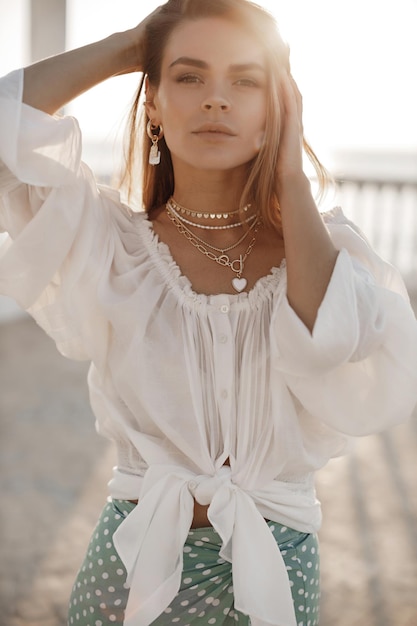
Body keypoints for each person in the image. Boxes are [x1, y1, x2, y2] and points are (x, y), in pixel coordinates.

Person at [0, 1, 416, 625]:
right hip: (134, 567)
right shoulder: (110, 245)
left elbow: (324, 342)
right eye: (189, 76)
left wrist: (291, 177)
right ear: (156, 109)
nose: (216, 99)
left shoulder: (326, 253)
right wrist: (130, 44)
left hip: (276, 562)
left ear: (274, 111)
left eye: (246, 81)